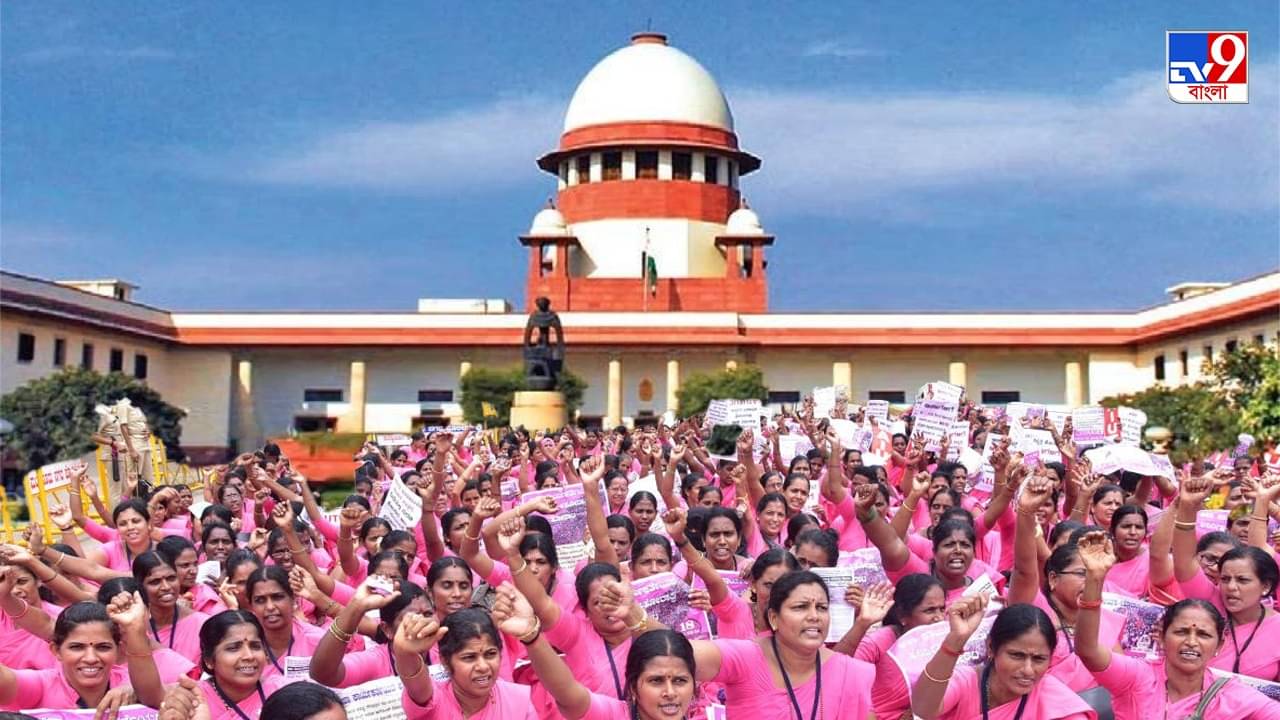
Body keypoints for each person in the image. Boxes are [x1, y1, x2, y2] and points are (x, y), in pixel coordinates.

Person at [1074, 531, 1280, 719]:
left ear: (1219, 645)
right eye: (1181, 631)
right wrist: (1094, 578)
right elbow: (1088, 650)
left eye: (1203, 635)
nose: (1191, 642)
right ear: (1161, 636)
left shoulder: (1229, 694)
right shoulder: (1137, 677)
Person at [493, 581, 696, 720]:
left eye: (680, 681)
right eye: (656, 681)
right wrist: (532, 637)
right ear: (633, 688)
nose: (670, 693)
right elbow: (567, 693)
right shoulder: (614, 715)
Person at [688, 570, 876, 719]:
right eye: (800, 607)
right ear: (774, 618)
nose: (814, 616)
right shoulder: (745, 657)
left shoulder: (850, 673)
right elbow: (675, 654)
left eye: (822, 608)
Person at [1008, 475, 1124, 691]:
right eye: (1082, 573)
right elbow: (1024, 569)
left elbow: (1119, 678)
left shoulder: (1104, 620)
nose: (1090, 581)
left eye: (1095, 575)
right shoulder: (1034, 609)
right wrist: (1025, 512)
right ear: (1053, 578)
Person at [910, 596, 1094, 720]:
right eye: (1017, 655)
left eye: (1039, 659)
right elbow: (923, 709)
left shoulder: (1056, 702)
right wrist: (955, 640)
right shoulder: (967, 681)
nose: (1028, 670)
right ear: (991, 647)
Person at [0, 599, 162, 715]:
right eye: (76, 647)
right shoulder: (41, 686)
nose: (91, 658)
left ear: (119, 649)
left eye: (103, 647)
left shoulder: (134, 683)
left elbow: (167, 693)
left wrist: (135, 629)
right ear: (56, 650)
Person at [395, 608, 537, 720]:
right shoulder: (434, 702)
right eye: (469, 657)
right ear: (445, 661)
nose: (483, 666)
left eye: (490, 654)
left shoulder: (517, 700)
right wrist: (404, 653)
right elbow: (415, 682)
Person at [842, 575, 945, 719]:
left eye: (942, 609)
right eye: (930, 610)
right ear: (902, 615)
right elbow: (838, 669)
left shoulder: (942, 641)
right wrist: (863, 623)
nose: (939, 617)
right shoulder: (880, 641)